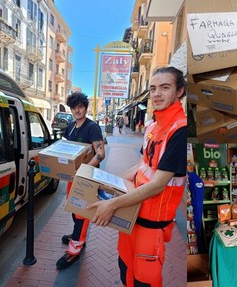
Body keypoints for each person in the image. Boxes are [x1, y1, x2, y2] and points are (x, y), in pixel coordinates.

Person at [88, 67, 187, 287]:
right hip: (131, 216)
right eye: (153, 88)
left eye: (164, 87)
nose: (156, 94)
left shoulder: (180, 130)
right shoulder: (152, 126)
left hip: (151, 228)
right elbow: (141, 166)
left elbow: (157, 185)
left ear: (179, 91)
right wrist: (108, 184)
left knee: (145, 280)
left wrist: (112, 204)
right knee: (126, 271)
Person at [56, 92, 106, 270]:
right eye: (74, 107)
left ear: (85, 107)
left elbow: (100, 154)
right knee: (73, 207)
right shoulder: (70, 126)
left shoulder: (92, 127)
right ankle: (77, 235)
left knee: (82, 213)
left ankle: (74, 250)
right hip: (73, 176)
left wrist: (83, 171)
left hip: (87, 179)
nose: (77, 110)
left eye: (80, 107)